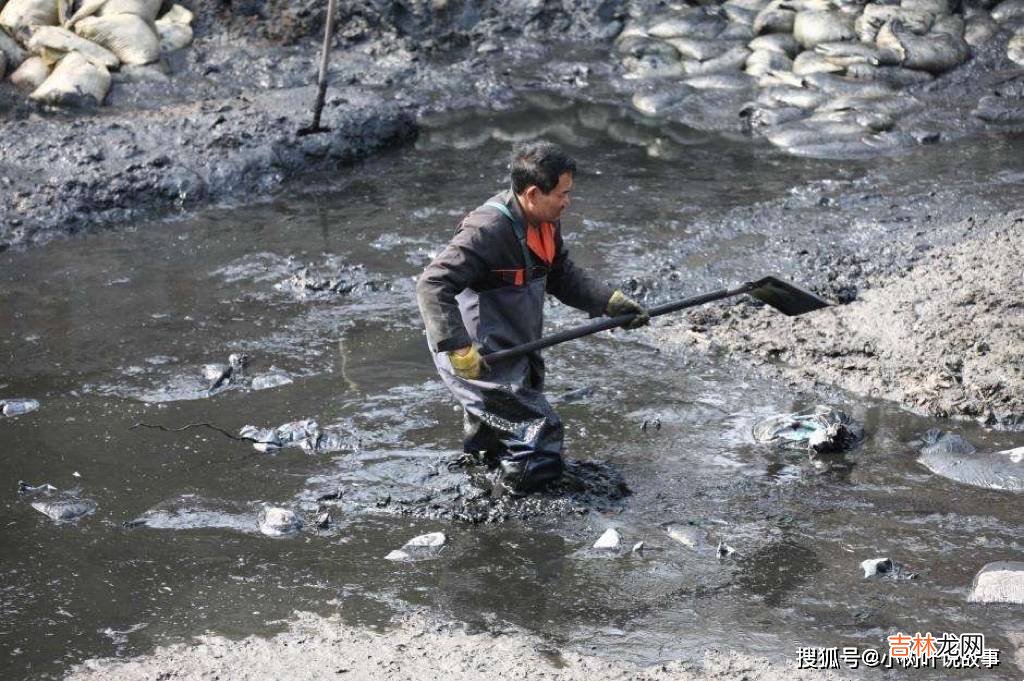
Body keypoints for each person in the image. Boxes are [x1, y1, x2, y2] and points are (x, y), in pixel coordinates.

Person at [416, 141, 649, 495]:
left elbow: (561, 275)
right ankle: (525, 514)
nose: (567, 201)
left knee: (494, 436)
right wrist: (458, 347)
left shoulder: (546, 220)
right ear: (532, 193)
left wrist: (609, 303)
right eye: (562, 194)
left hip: (515, 345)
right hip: (476, 355)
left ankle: (484, 487)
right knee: (538, 429)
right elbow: (432, 284)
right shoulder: (486, 230)